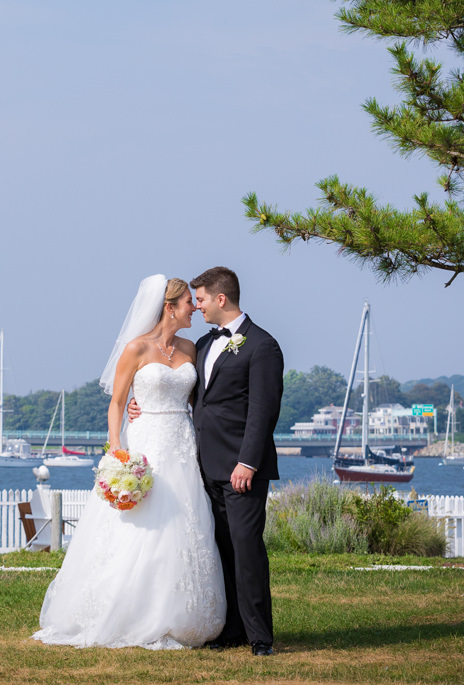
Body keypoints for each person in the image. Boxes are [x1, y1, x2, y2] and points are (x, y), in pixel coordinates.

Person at [31, 275, 227, 649]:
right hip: (145, 443)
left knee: (185, 522)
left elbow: (199, 399)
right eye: (189, 302)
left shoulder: (191, 349)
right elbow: (118, 403)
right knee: (138, 525)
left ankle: (181, 613)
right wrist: (117, 452)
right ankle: (127, 611)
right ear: (170, 307)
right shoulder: (135, 349)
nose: (194, 308)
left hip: (182, 445)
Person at [189, 266, 284, 656]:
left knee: (247, 551)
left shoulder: (263, 346)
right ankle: (232, 630)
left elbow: (264, 410)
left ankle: (260, 637)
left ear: (221, 299)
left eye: (201, 300)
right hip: (205, 467)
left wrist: (247, 462)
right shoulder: (201, 344)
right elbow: (196, 400)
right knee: (222, 551)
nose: (197, 308)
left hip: (243, 469)